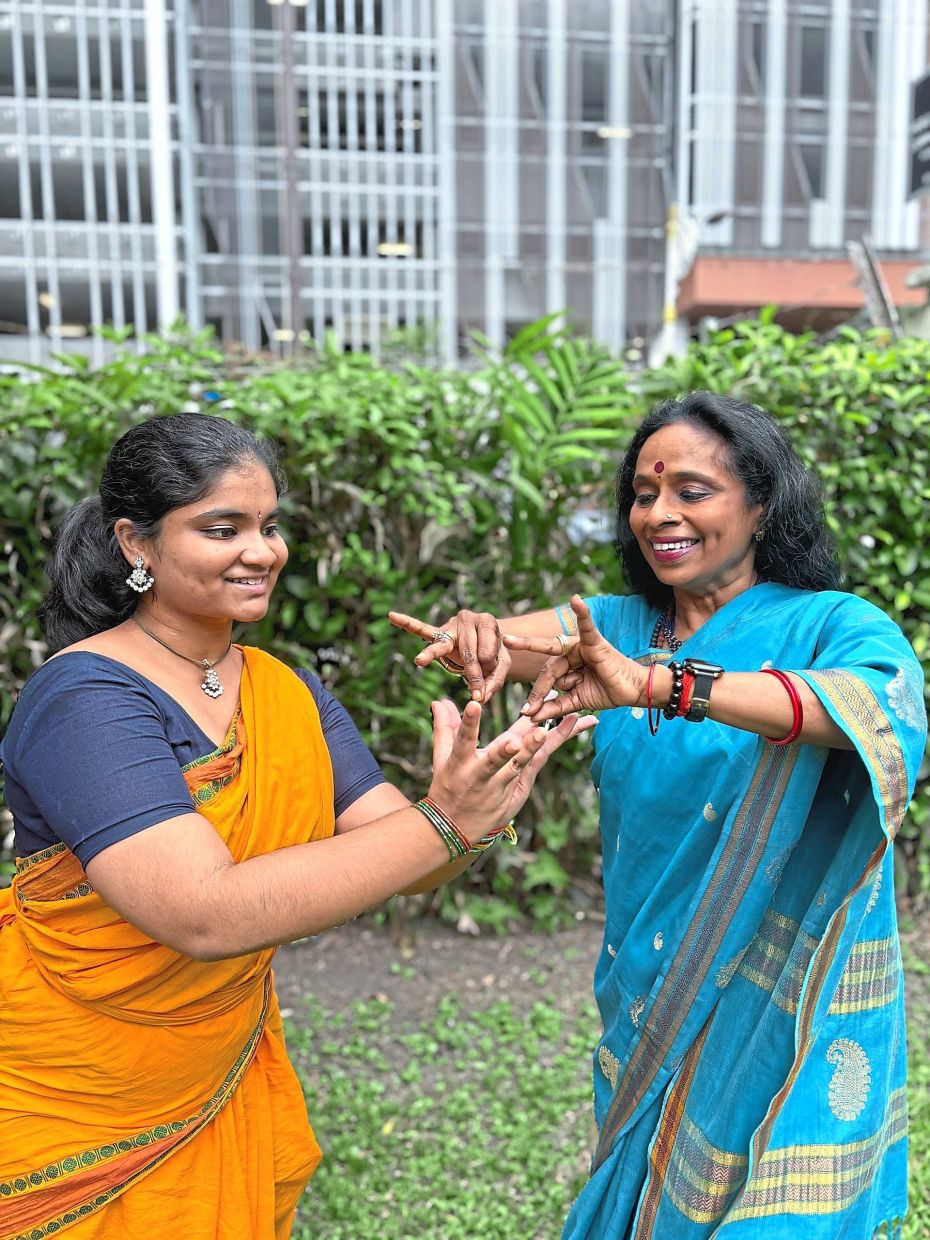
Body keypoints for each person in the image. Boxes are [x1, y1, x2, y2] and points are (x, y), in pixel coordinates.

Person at [0, 412, 592, 1240]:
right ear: (135, 543)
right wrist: (443, 824)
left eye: (269, 526)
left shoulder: (286, 690)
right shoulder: (86, 699)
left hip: (215, 1077)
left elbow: (406, 853)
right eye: (222, 527)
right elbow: (200, 913)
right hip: (72, 1091)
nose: (262, 550)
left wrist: (477, 803)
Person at [391, 391, 927, 1239]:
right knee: (646, 1192)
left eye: (692, 491)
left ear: (760, 505)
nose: (660, 514)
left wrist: (663, 684)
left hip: (779, 998)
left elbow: (876, 708)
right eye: (645, 493)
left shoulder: (829, 623)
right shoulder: (612, 626)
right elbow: (504, 638)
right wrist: (475, 634)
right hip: (647, 981)